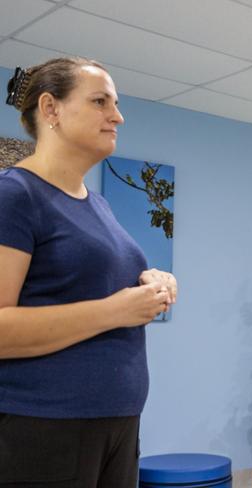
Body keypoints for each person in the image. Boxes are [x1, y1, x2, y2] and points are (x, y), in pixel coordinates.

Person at [0, 57, 178, 487]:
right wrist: (115, 311)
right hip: (46, 427)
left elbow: (86, 282)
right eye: (100, 101)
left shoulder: (98, 204)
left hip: (116, 421)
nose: (117, 116)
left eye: (114, 104)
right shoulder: (15, 195)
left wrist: (152, 281)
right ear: (50, 109)